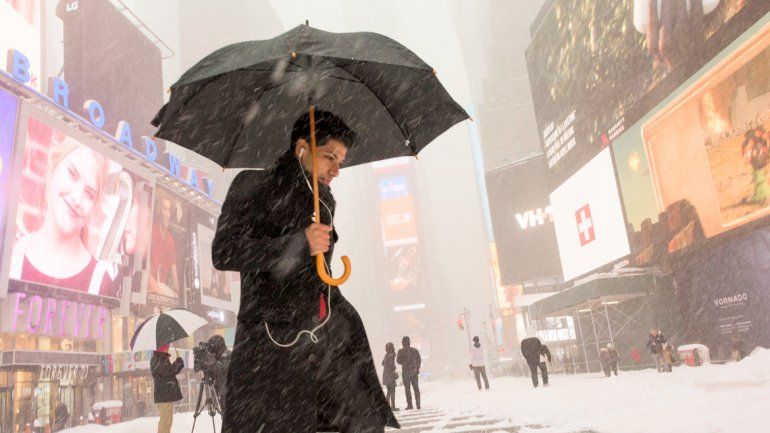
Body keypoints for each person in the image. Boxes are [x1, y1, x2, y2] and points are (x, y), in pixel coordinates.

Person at [213, 111, 399, 433]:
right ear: (302, 148)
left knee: (358, 421)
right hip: (274, 345)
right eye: (330, 157)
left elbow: (317, 269)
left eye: (341, 161)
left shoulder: (324, 201)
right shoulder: (253, 185)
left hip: (326, 339)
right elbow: (224, 251)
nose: (336, 170)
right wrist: (297, 243)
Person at [10, 138, 113, 295]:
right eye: (72, 174)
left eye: (89, 194)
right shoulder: (9, 257)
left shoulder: (100, 282)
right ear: (53, 166)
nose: (77, 199)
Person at [148, 196, 179, 297]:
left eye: (169, 210)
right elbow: (145, 272)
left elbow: (174, 271)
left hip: (161, 287)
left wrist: (176, 293)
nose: (167, 214)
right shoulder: (151, 231)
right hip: (148, 284)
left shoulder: (170, 240)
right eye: (164, 209)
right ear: (158, 210)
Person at [150, 344, 184, 433]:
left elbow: (169, 372)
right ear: (162, 348)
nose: (168, 348)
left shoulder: (161, 358)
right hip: (163, 395)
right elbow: (167, 371)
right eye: (167, 346)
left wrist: (178, 364)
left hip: (166, 395)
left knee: (168, 421)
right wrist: (177, 364)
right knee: (165, 421)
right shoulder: (157, 359)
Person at [200, 335, 231, 413]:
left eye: (211, 347)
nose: (211, 351)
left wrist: (212, 362)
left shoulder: (227, 355)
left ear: (217, 347)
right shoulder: (218, 358)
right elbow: (214, 374)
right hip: (223, 394)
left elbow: (222, 369)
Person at [741, 127, 770, 205]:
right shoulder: (758, 142)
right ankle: (759, 195)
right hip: (758, 163)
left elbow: (753, 153)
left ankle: (764, 197)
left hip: (759, 164)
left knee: (759, 180)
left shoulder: (757, 143)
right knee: (758, 179)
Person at [397, 336, 422, 410]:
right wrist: (416, 368)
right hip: (414, 372)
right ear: (409, 342)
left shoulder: (400, 351)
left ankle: (410, 405)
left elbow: (398, 361)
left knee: (407, 389)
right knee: (416, 388)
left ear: (403, 343)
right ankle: (418, 404)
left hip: (405, 372)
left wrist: (404, 361)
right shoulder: (415, 350)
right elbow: (419, 360)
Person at [381, 342, 399, 411]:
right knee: (393, 392)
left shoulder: (386, 355)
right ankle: (393, 407)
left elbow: (382, 363)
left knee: (389, 392)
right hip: (390, 376)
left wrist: (386, 365)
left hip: (385, 375)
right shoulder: (392, 355)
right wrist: (394, 368)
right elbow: (392, 366)